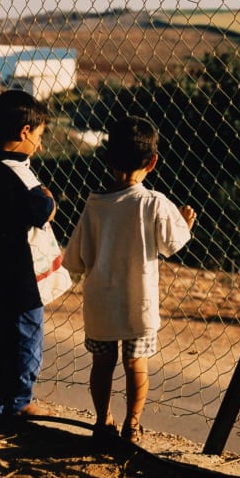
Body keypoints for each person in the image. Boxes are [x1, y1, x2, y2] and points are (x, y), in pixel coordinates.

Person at [64, 115, 195, 447]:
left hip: (100, 304)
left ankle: (102, 420)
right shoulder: (154, 203)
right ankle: (132, 424)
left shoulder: (93, 206)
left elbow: (76, 259)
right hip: (139, 302)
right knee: (137, 364)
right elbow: (173, 244)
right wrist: (185, 223)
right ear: (152, 162)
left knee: (102, 363)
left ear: (107, 159)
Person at [0, 89, 57, 424]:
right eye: (38, 137)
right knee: (27, 334)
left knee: (1, 337)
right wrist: (48, 199)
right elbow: (42, 208)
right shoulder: (17, 171)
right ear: (25, 133)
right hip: (21, 275)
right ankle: (21, 400)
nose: (39, 144)